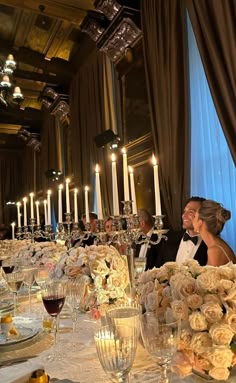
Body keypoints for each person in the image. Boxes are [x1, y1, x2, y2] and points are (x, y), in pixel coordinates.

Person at [193, 199, 235, 266]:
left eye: (195, 216)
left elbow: (213, 276)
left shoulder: (214, 251)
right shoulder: (218, 243)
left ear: (200, 222)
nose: (193, 220)